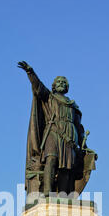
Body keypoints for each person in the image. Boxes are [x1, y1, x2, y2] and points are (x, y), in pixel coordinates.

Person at [18, 61, 88, 197]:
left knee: (66, 167)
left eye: (64, 82)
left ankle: (63, 195)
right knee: (51, 159)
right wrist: (30, 73)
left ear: (67, 87)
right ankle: (47, 193)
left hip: (70, 138)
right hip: (54, 133)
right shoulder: (50, 97)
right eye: (58, 82)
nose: (61, 83)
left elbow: (79, 127)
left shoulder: (73, 106)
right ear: (54, 86)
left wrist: (84, 145)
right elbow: (38, 86)